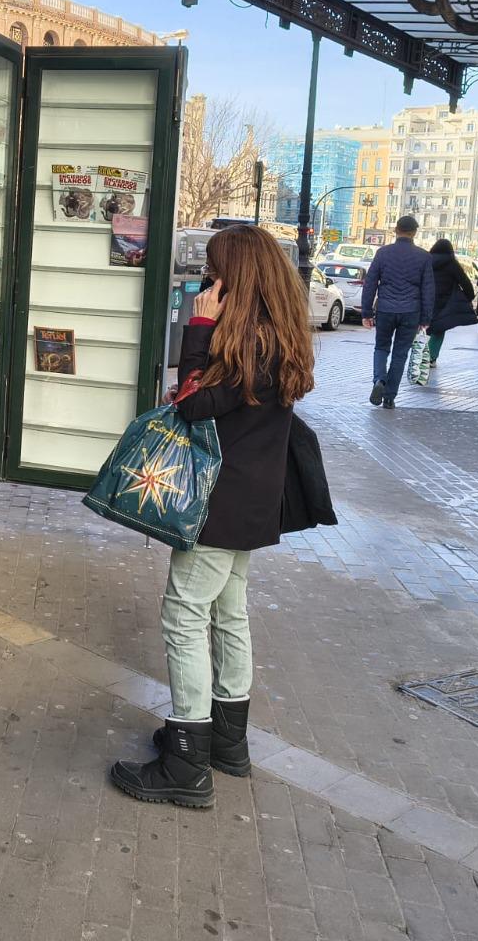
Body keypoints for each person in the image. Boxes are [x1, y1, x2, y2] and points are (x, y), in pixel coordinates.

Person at [109, 225, 315, 809]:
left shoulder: (245, 344)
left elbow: (194, 404)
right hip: (251, 499)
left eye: (215, 271)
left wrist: (198, 327)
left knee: (184, 615)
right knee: (229, 614)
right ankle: (226, 741)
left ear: (238, 278)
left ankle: (186, 759)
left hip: (218, 501)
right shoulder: (278, 334)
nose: (207, 280)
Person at [359, 215, 433, 409]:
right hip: (411, 311)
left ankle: (379, 380)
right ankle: (389, 397)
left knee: (381, 348)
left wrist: (366, 312)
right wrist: (425, 318)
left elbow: (370, 283)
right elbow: (428, 289)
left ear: (396, 230)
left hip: (385, 309)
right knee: (400, 354)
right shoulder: (424, 257)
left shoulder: (383, 253)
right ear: (414, 233)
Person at [422, 239, 478, 379]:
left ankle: (422, 354)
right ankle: (431, 357)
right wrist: (469, 297)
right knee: (439, 329)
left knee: (422, 328)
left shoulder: (426, 260)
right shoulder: (451, 263)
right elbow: (464, 281)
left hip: (426, 298)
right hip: (444, 301)